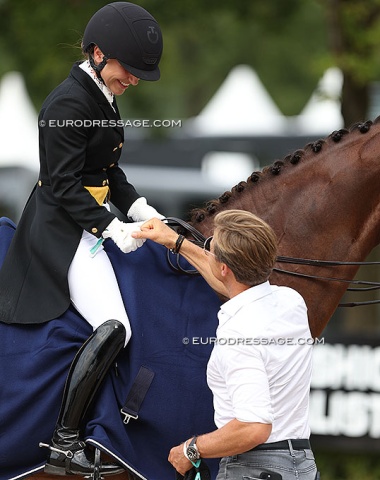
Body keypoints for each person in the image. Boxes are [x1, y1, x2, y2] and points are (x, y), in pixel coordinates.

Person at [0, 2, 164, 476]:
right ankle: (64, 440)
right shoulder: (67, 105)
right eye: (128, 70)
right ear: (97, 54)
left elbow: (108, 171)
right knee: (117, 325)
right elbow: (65, 184)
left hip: (84, 218)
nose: (132, 79)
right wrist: (111, 227)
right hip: (60, 229)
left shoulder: (102, 95)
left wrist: (140, 209)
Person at [132, 210, 319, 480]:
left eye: (211, 247)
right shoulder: (291, 301)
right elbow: (233, 283)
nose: (207, 250)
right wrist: (175, 241)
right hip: (301, 465)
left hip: (255, 469)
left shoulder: (239, 333)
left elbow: (254, 427)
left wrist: (191, 449)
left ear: (224, 268)